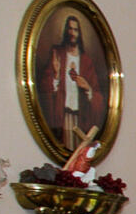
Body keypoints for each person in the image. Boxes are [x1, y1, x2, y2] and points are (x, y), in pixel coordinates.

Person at [38, 14, 102, 151]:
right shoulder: (57, 55)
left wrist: (88, 88)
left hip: (81, 118)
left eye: (75, 30)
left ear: (79, 33)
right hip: (62, 117)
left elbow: (97, 95)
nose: (72, 33)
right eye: (70, 29)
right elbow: (43, 89)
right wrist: (56, 75)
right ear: (66, 31)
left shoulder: (86, 61)